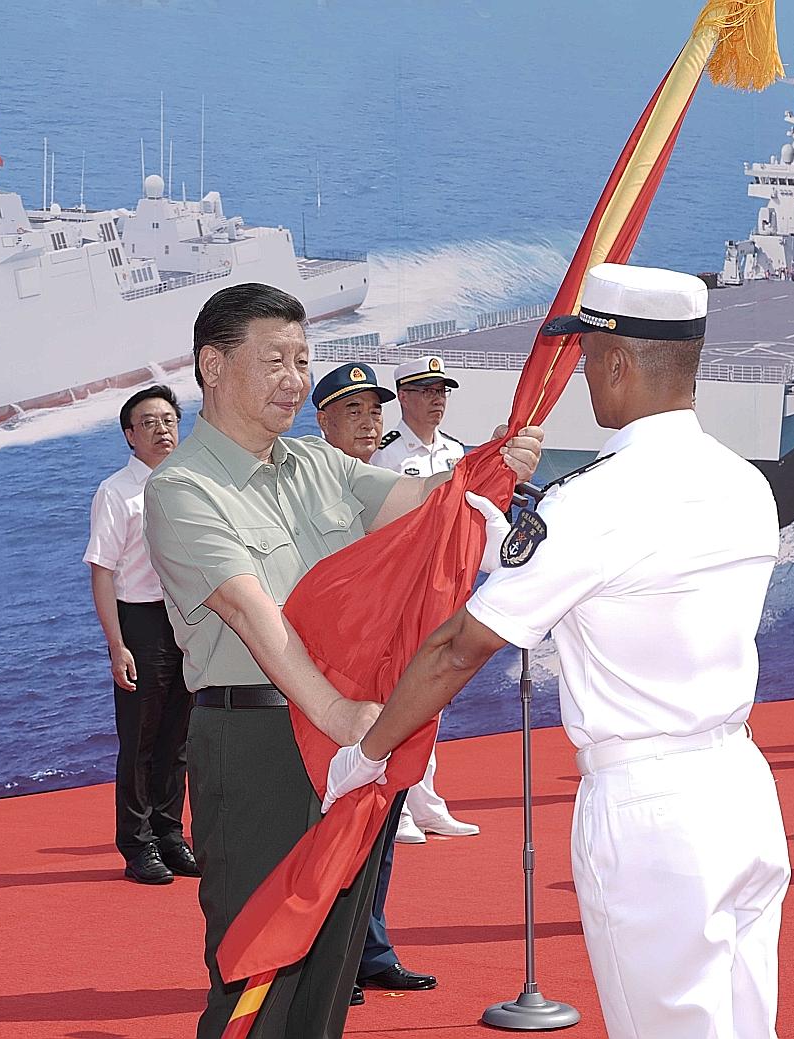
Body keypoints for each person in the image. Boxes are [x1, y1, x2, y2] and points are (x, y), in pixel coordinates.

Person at [325, 263, 791, 1039]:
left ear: (615, 362)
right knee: (746, 1022)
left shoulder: (594, 500)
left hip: (650, 811)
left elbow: (454, 649)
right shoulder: (743, 482)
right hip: (742, 787)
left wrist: (369, 752)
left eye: (585, 359)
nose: (582, 377)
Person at [143, 282, 542, 1037]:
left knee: (331, 961)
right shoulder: (181, 488)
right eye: (275, 360)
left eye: (302, 358)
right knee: (260, 967)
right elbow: (254, 615)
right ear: (213, 366)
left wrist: (496, 464)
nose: (294, 378)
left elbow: (426, 505)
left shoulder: (315, 465)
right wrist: (347, 724)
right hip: (261, 739)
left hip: (351, 735)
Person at [311, 362, 437, 1005]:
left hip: (387, 676)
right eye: (352, 411)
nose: (370, 422)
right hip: (326, 686)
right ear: (322, 421)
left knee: (380, 819)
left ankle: (370, 952)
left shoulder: (393, 485)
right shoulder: (307, 490)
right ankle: (327, 960)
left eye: (375, 410)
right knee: (329, 826)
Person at [85, 385, 199, 885]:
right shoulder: (116, 492)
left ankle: (171, 835)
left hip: (189, 619)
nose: (162, 429)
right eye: (148, 422)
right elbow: (103, 571)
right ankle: (137, 844)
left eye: (169, 419)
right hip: (140, 621)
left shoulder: (193, 482)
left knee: (178, 736)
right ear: (130, 435)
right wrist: (117, 643)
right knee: (140, 739)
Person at [371, 355, 480, 844]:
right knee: (402, 692)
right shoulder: (387, 454)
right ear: (405, 397)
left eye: (443, 391)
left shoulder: (457, 452)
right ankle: (399, 803)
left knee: (436, 691)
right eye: (427, 391)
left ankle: (426, 800)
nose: (438, 400)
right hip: (405, 587)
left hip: (448, 583)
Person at [313, 362, 393, 464]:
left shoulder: (386, 472)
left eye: (375, 412)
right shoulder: (309, 477)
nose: (369, 425)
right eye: (354, 413)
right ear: (324, 421)